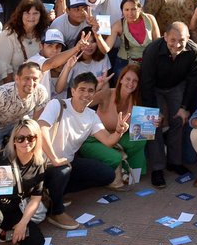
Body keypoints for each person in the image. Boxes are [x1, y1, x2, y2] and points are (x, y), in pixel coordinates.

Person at [38, 72, 129, 230]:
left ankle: (53, 194)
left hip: (67, 163)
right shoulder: (57, 105)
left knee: (107, 174)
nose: (86, 94)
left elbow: (108, 141)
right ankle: (56, 211)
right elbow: (41, 128)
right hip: (44, 164)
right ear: (73, 91)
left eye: (90, 90)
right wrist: (54, 159)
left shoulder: (91, 115)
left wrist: (118, 132)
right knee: (63, 169)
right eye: (82, 89)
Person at [139, 21, 197, 187]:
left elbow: (193, 81)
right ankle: (157, 168)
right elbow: (146, 84)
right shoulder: (152, 51)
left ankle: (175, 162)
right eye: (173, 40)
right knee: (154, 124)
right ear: (165, 36)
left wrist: (184, 107)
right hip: (155, 88)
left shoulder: (194, 51)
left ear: (188, 38)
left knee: (178, 120)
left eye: (181, 40)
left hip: (177, 86)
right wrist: (154, 110)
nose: (177, 44)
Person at [0, 61, 48, 154]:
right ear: (17, 79)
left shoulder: (41, 92)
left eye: (35, 79)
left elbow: (36, 123)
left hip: (18, 124)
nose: (31, 83)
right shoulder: (2, 94)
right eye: (26, 78)